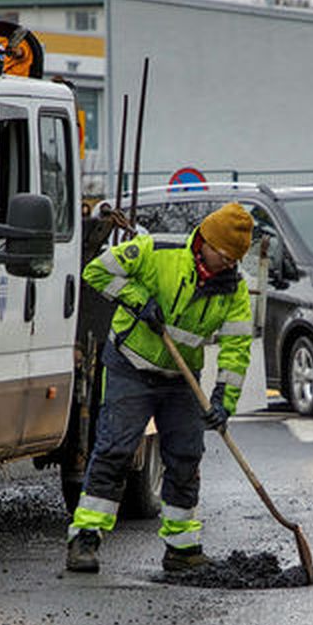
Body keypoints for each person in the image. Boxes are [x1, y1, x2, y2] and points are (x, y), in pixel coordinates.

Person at [66, 202, 254, 574]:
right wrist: (139, 302)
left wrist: (223, 401)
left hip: (181, 380)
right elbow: (97, 271)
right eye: (225, 255)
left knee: (185, 457)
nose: (229, 264)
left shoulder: (234, 290)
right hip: (130, 365)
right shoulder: (157, 254)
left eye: (236, 259)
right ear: (205, 242)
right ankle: (85, 539)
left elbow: (237, 349)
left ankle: (182, 549)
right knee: (115, 450)